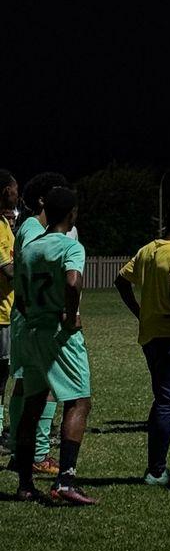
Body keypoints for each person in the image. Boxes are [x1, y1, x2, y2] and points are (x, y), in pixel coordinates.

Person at [11, 185, 97, 504]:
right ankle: (65, 481)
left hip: (30, 331)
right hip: (57, 333)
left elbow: (19, 296)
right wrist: (70, 313)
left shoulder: (30, 248)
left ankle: (24, 483)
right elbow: (73, 280)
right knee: (78, 401)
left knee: (32, 406)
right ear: (72, 214)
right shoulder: (70, 245)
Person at [115, 199, 170, 485]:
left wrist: (139, 311)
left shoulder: (148, 250)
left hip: (150, 336)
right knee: (168, 403)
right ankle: (156, 472)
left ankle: (156, 465)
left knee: (162, 399)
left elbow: (121, 280)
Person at [5, 171, 69, 476]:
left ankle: (21, 451)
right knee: (44, 386)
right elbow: (33, 264)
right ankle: (37, 452)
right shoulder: (33, 229)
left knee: (27, 385)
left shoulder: (32, 226)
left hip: (27, 315)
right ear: (44, 200)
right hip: (36, 317)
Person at [0, 168, 17, 451]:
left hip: (8, 311)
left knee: (4, 376)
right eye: (15, 188)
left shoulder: (5, 223)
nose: (18, 193)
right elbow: (9, 269)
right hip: (0, 314)